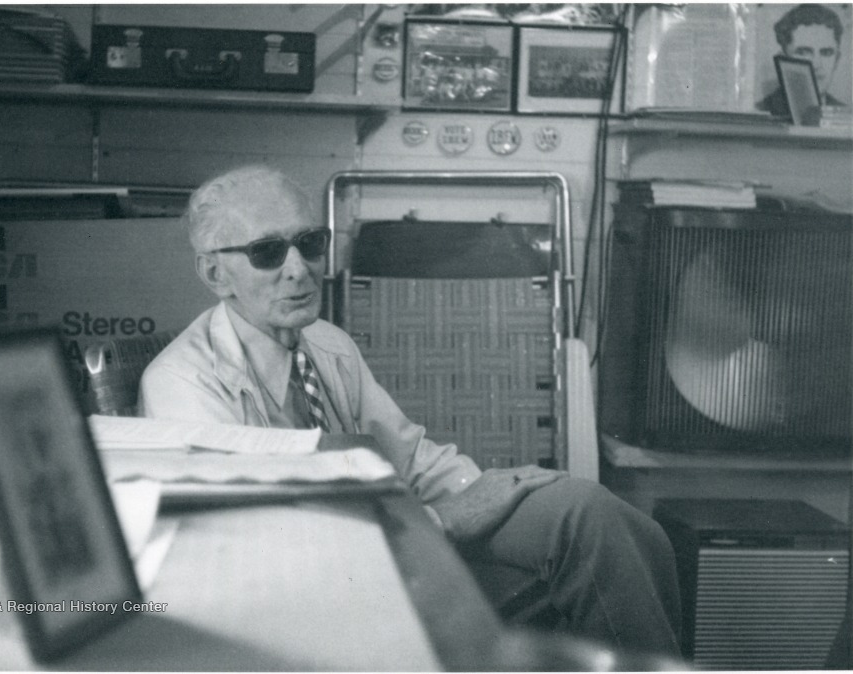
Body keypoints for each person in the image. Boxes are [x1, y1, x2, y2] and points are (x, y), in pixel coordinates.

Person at [139, 165, 682, 657]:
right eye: (267, 252)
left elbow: (413, 460)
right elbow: (260, 554)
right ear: (215, 275)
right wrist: (446, 520)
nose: (298, 269)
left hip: (399, 537)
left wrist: (492, 490)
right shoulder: (183, 385)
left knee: (601, 518)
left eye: (309, 243)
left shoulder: (327, 345)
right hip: (313, 590)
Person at [757, 3, 847, 116]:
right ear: (783, 59)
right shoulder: (761, 112)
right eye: (804, 52)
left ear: (837, 60)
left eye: (826, 53)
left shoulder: (846, 115)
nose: (817, 64)